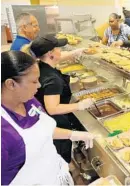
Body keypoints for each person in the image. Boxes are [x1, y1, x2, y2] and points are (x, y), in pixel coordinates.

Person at [1, 51, 96, 185]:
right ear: (11, 84)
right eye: (34, 81)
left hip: (54, 174)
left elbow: (41, 130)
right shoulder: (3, 133)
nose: (39, 85)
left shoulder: (28, 101)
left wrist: (72, 134)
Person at [24, 35, 95, 164]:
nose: (61, 50)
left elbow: (59, 57)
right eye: (58, 48)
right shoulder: (53, 79)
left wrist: (76, 51)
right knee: (61, 159)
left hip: (47, 121)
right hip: (56, 124)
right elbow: (53, 108)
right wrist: (80, 105)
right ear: (50, 53)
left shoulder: (41, 64)